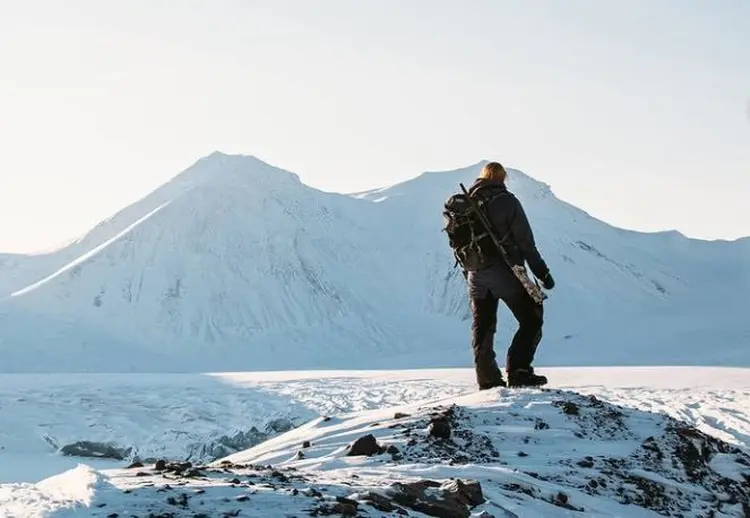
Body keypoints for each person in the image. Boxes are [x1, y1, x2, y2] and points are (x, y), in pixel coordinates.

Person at [465, 162, 555, 389]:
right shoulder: (507, 202)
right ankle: (519, 371)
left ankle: (487, 379)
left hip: (476, 277)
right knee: (532, 317)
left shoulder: (467, 204)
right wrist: (543, 273)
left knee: (483, 327)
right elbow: (526, 244)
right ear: (503, 178)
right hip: (505, 273)